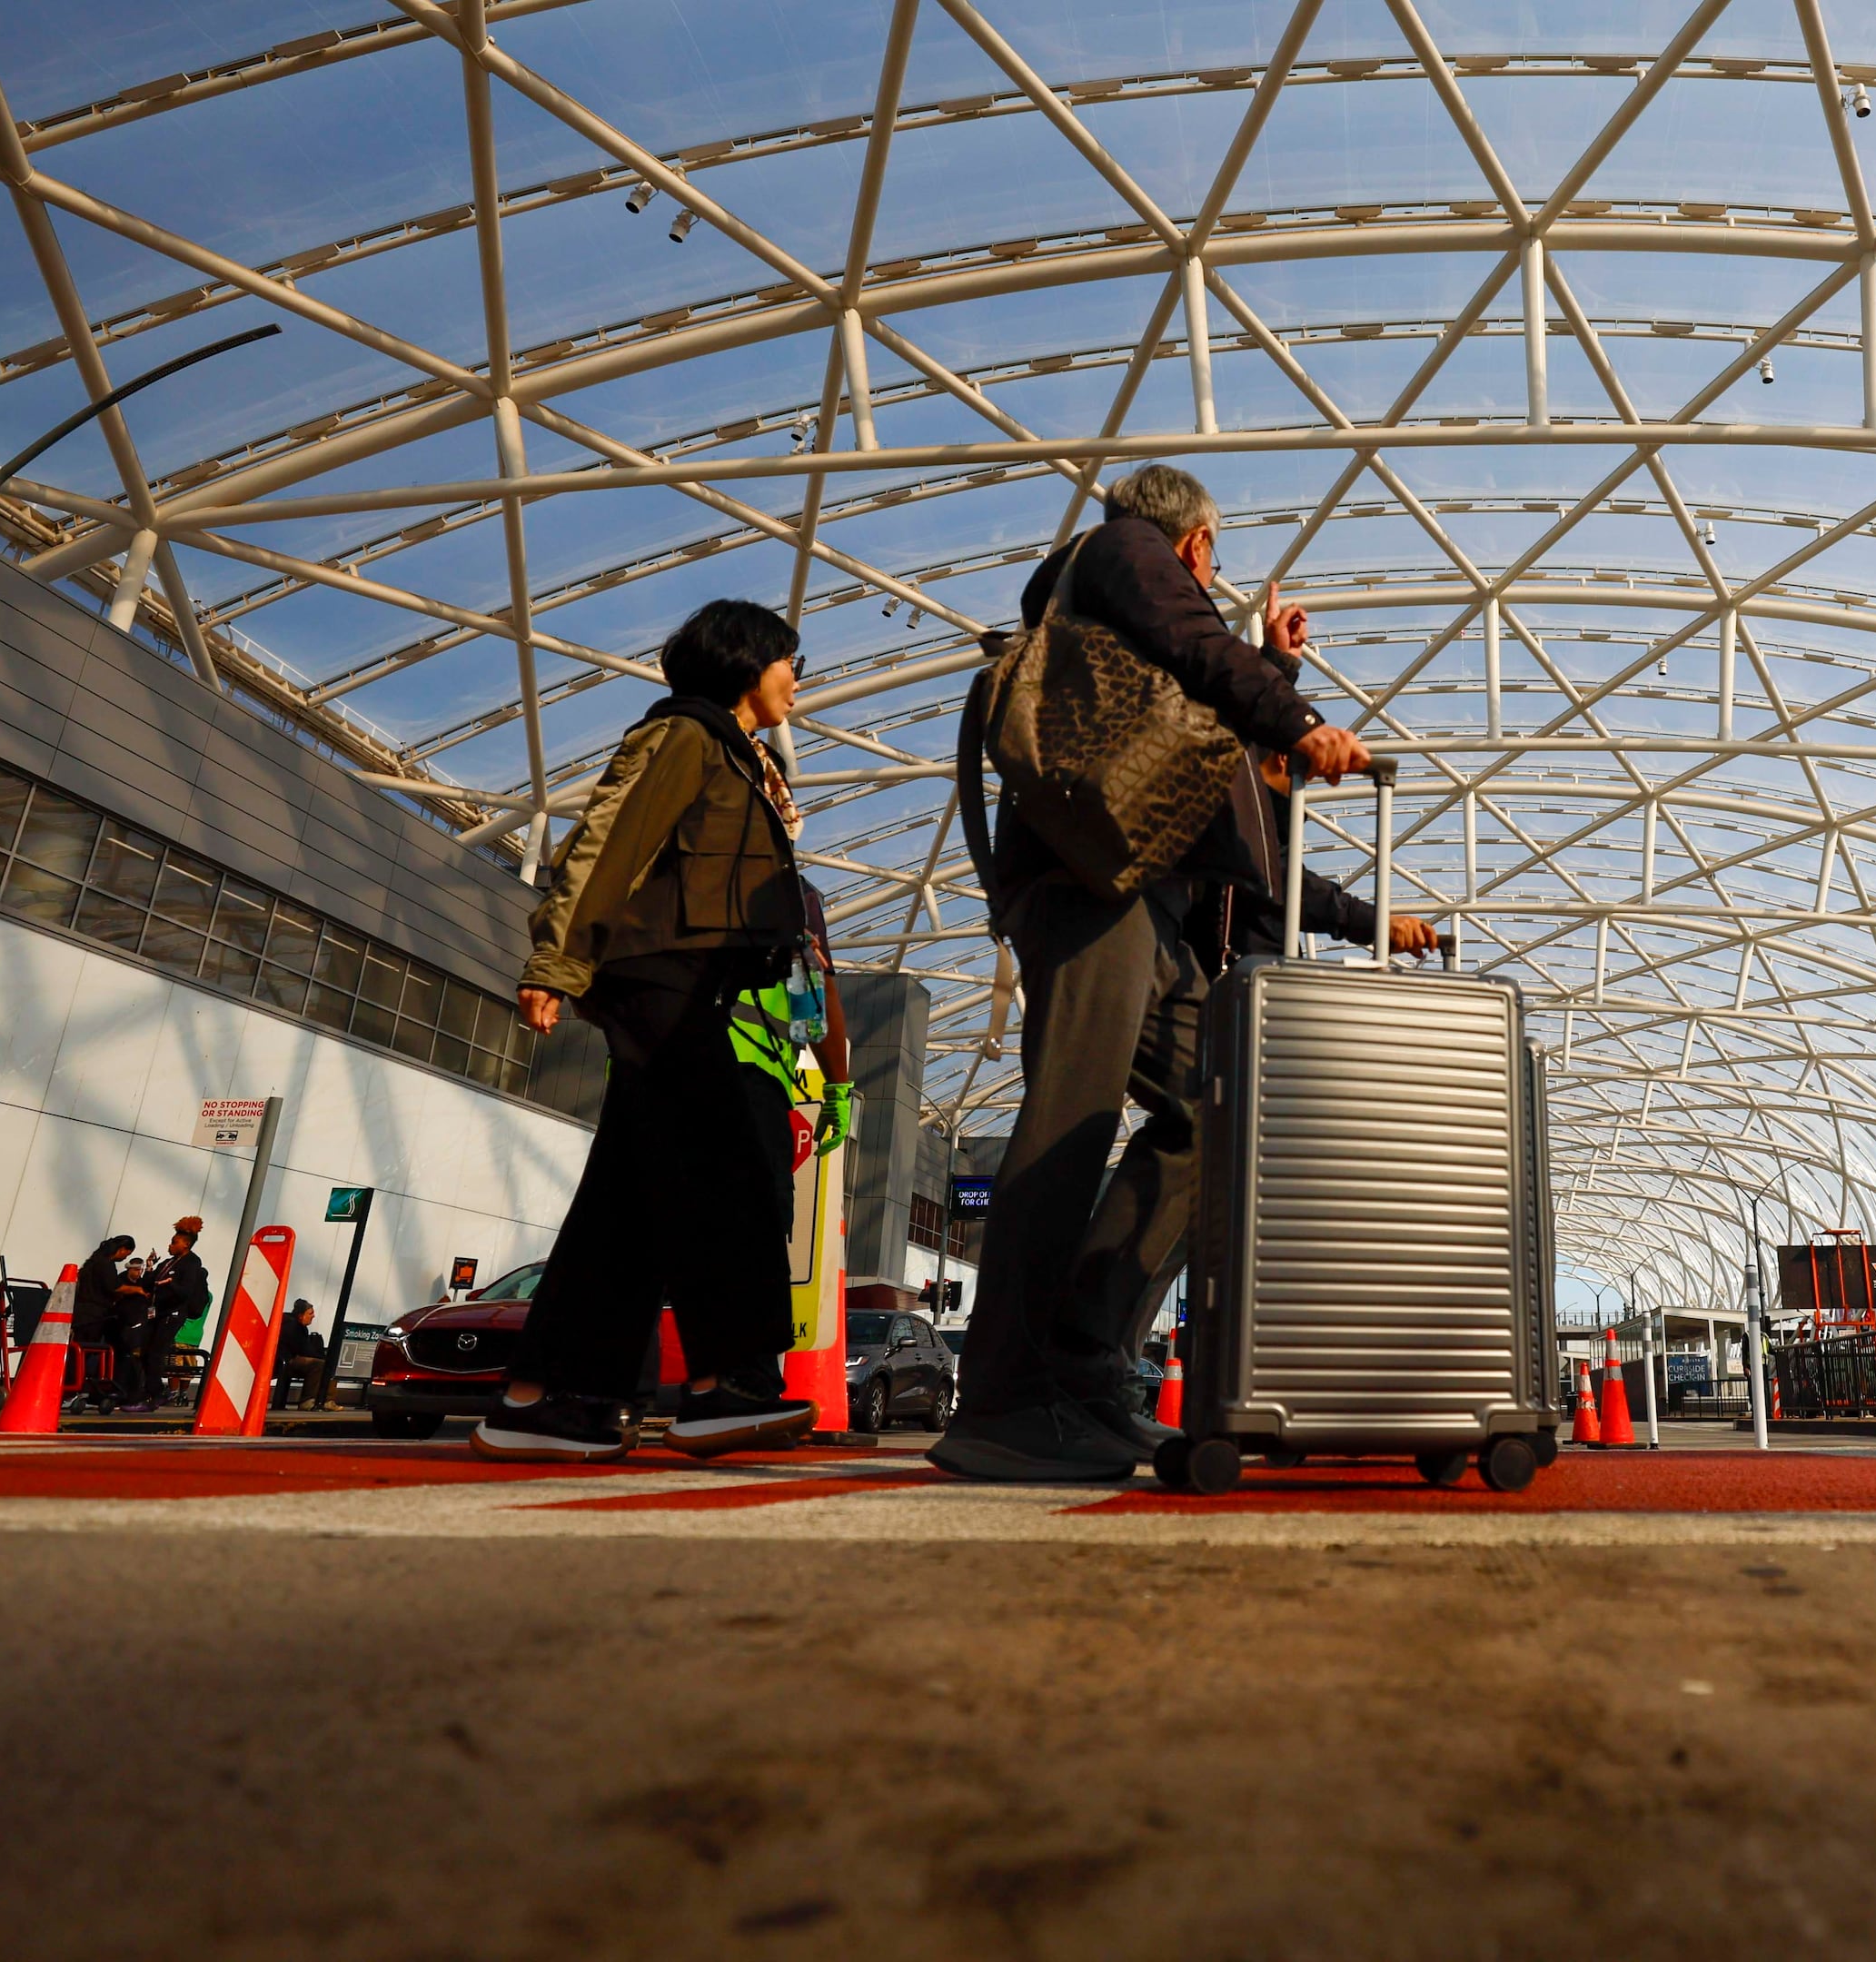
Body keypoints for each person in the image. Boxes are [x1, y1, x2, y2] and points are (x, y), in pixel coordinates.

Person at [937, 463, 1428, 1483]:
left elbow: (1186, 702)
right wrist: (1296, 718)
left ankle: (1081, 1358)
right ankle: (1005, 1396)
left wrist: (1272, 669)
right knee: (1070, 1120)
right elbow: (1193, 652)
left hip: (1147, 896)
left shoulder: (1125, 597)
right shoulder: (1126, 549)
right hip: (1089, 884)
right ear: (1196, 544)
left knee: (1225, 1110)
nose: (1205, 575)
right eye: (1211, 558)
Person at [498, 598, 835, 1464]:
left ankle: (554, 1395)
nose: (797, 681)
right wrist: (557, 960)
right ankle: (726, 1382)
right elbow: (609, 842)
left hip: (691, 983)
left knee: (632, 1193)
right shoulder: (686, 736)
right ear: (744, 662)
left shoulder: (739, 756)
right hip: (658, 976)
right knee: (724, 1167)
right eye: (788, 662)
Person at [136, 1218, 209, 1412]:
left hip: (172, 1314)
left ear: (186, 1245)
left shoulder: (192, 1262)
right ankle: (149, 1391)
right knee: (145, 1352)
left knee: (156, 1353)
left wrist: (171, 1284)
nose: (170, 1245)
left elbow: (186, 1290)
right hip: (157, 1313)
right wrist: (150, 1268)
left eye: (174, 1242)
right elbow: (148, 1285)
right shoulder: (167, 1263)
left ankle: (156, 1393)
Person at [74, 1234, 142, 1412]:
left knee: (81, 1350)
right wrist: (138, 1290)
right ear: (122, 1250)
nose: (125, 1258)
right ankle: (80, 1389)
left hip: (82, 1312)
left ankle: (77, 1387)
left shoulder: (94, 1261)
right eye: (126, 1254)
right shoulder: (106, 1264)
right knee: (89, 1352)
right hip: (94, 1314)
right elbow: (115, 1287)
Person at [272, 1303, 331, 1412]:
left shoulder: (292, 1324)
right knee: (319, 1365)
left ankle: (325, 1400)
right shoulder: (293, 1326)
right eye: (310, 1313)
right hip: (285, 1360)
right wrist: (322, 1357)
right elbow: (302, 1349)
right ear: (300, 1315)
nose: (313, 1316)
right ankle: (308, 1400)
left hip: (284, 1359)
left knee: (323, 1364)